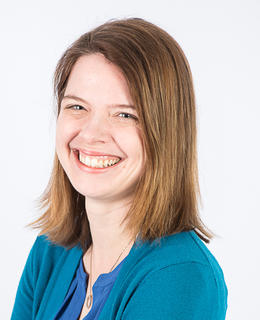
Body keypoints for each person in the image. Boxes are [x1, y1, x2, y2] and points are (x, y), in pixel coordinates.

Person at [11, 17, 228, 320]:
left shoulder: (180, 276)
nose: (91, 134)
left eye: (124, 115)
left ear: (166, 133)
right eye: (77, 107)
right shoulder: (50, 251)